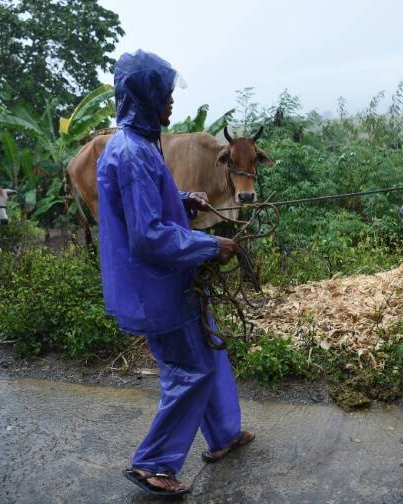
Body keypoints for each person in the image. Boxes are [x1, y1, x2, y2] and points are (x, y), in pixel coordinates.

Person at [97, 49, 254, 496]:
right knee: (190, 368)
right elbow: (147, 236)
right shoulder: (130, 153)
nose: (170, 102)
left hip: (174, 280)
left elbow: (148, 206)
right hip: (156, 286)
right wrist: (209, 243)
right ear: (144, 96)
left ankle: (224, 435)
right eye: (164, 94)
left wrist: (184, 198)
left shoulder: (140, 145)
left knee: (210, 351)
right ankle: (153, 462)